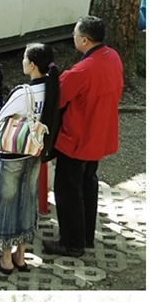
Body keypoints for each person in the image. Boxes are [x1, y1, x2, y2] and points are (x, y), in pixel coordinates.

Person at [42, 16, 124, 257]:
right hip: (99, 135)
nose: (73, 38)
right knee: (88, 184)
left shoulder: (82, 70)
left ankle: (72, 242)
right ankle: (85, 235)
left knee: (68, 191)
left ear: (85, 40)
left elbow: (58, 97)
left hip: (77, 139)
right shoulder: (112, 57)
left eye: (75, 35)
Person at [0, 43, 60, 274]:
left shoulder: (23, 92)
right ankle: (20, 255)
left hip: (12, 153)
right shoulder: (53, 87)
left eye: (24, 59)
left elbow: (0, 119)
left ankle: (5, 259)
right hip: (35, 151)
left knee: (5, 203)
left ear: (32, 65)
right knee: (27, 200)